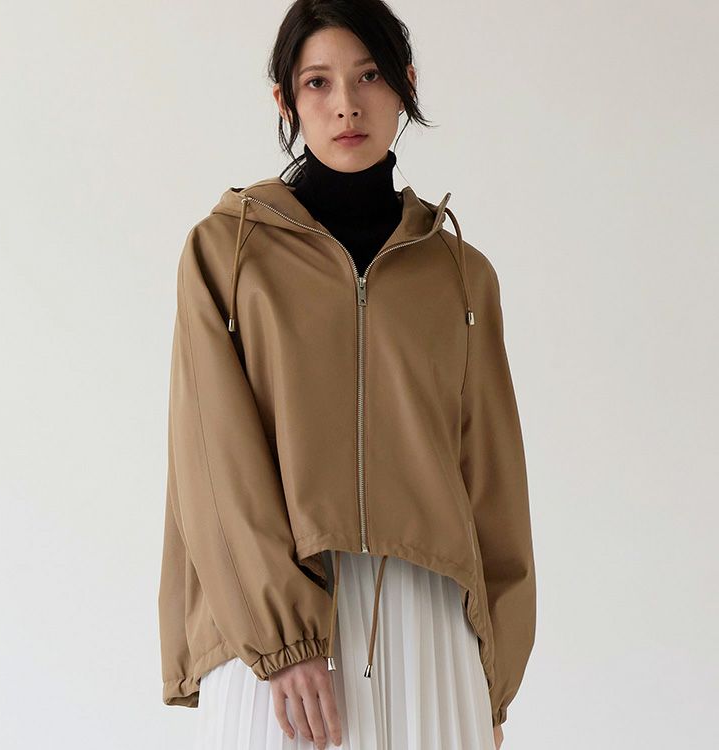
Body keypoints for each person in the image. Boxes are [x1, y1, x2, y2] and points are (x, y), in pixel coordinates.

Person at [157, 1, 536, 748]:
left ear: (405, 84)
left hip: (431, 628)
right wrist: (284, 641)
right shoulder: (225, 255)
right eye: (318, 83)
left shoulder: (461, 276)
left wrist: (493, 685)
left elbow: (491, 477)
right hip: (272, 638)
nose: (346, 105)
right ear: (286, 101)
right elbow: (212, 461)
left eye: (369, 76)